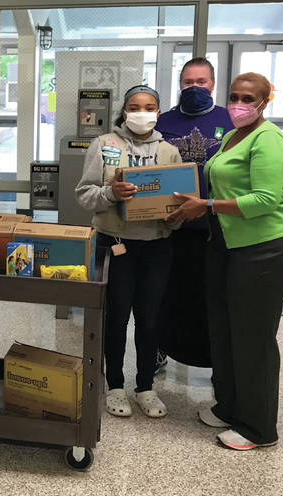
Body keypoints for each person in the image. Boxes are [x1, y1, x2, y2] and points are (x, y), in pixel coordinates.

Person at [168, 72, 283, 450]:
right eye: (234, 96)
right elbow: (219, 180)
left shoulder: (269, 140)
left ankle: (257, 428)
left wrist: (208, 206)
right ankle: (229, 406)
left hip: (268, 245)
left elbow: (265, 199)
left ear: (265, 102)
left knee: (252, 336)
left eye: (248, 98)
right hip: (229, 243)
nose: (238, 104)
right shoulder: (232, 135)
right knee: (223, 328)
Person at [75, 85, 182, 419]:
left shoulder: (169, 152)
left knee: (150, 319)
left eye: (149, 107)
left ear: (158, 112)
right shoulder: (105, 144)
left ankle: (146, 387)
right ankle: (116, 385)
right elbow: (84, 195)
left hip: (157, 247)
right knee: (117, 317)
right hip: (115, 244)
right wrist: (110, 193)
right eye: (134, 107)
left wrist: (174, 214)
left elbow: (179, 203)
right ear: (124, 111)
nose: (142, 113)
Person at [155, 58, 235, 371]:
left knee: (209, 295)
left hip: (215, 226)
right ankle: (159, 348)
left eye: (201, 82)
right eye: (188, 82)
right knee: (166, 292)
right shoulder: (164, 121)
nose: (195, 87)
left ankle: (211, 357)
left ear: (213, 84)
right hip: (170, 226)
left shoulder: (229, 121)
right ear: (179, 84)